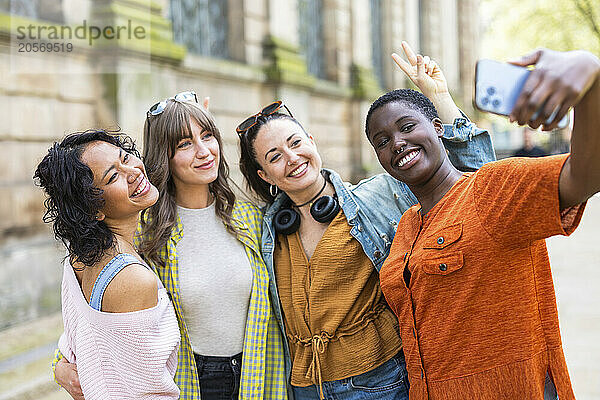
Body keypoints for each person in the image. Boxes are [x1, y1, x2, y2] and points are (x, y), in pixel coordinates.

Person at [236, 42, 495, 400]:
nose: (292, 158)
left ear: (312, 141)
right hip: (304, 387)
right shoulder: (264, 227)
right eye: (275, 157)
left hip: (380, 381)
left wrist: (441, 98)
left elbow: (472, 179)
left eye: (296, 143)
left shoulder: (379, 195)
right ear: (265, 175)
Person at [366, 48, 600, 399]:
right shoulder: (406, 228)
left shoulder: (492, 189)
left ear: (438, 128)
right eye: (382, 142)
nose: (397, 143)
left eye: (407, 127)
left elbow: (585, 176)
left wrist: (591, 78)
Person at [53, 93, 289, 400]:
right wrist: (60, 365)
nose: (204, 152)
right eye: (184, 144)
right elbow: (91, 316)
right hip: (192, 382)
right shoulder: (140, 230)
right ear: (165, 155)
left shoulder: (252, 219)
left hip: (259, 374)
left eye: (207, 136)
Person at [35, 130, 180, 400]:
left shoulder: (79, 259)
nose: (133, 171)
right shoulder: (133, 280)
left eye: (125, 157)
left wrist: (59, 369)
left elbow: (78, 343)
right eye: (113, 176)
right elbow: (147, 393)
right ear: (94, 209)